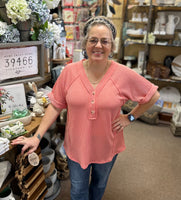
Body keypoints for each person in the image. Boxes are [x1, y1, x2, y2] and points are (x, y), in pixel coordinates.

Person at [12, 16, 160, 200]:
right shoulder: (69, 72)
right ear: (85, 43)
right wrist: (36, 136)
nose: (98, 46)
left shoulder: (123, 74)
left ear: (112, 46)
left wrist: (129, 117)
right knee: (78, 191)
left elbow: (152, 95)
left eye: (104, 41)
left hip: (107, 145)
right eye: (93, 40)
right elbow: (55, 105)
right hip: (77, 146)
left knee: (99, 186)